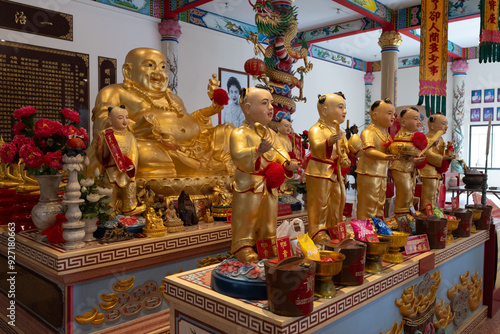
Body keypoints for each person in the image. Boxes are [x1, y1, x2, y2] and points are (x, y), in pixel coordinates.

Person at [88, 47, 234, 179]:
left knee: (228, 132)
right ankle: (159, 188)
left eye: (162, 67)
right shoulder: (115, 92)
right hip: (152, 145)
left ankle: (223, 173)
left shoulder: (174, 98)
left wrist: (206, 113)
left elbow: (185, 123)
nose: (158, 72)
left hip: (191, 147)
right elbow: (102, 123)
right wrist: (137, 128)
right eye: (150, 65)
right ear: (128, 71)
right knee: (145, 152)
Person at [230, 85, 299, 262]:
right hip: (250, 183)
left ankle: (267, 243)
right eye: (264, 103)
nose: (270, 108)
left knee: (269, 218)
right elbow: (238, 155)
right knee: (248, 217)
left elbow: (280, 151)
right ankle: (243, 246)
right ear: (247, 108)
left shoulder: (271, 133)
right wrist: (257, 151)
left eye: (271, 103)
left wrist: (286, 162)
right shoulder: (239, 133)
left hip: (269, 185)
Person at [306, 92, 357, 244]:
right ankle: (317, 231)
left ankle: (334, 227)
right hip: (319, 171)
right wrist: (328, 142)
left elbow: (344, 150)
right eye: (340, 107)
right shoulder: (316, 129)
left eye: (345, 107)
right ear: (324, 110)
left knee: (337, 201)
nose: (345, 111)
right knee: (320, 203)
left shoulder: (340, 132)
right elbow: (316, 148)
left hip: (336, 172)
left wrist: (351, 154)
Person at [95, 105, 145, 215]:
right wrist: (105, 151)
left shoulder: (130, 136)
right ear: (110, 120)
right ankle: (109, 208)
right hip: (111, 169)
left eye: (127, 117)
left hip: (126, 170)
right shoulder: (105, 134)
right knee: (110, 188)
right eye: (120, 117)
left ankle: (129, 207)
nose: (125, 120)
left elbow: (134, 152)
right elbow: (99, 153)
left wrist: (132, 165)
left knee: (131, 185)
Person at [356, 99, 397, 220]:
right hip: (369, 173)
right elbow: (368, 150)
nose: (393, 117)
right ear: (375, 115)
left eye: (393, 114)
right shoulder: (368, 132)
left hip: (382, 173)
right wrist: (385, 156)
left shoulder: (386, 134)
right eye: (389, 113)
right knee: (369, 203)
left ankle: (378, 226)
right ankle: (366, 229)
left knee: (380, 203)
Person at [389, 107, 427, 215]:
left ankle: (408, 213)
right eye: (415, 119)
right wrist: (416, 151)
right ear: (404, 122)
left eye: (419, 119)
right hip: (400, 167)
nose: (419, 122)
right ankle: (401, 216)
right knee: (404, 192)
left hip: (411, 169)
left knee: (410, 192)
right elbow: (396, 147)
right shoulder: (401, 136)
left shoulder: (413, 136)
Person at [419, 113, 454, 209]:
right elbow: (427, 153)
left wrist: (448, 153)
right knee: (429, 195)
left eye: (446, 124)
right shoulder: (428, 139)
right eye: (443, 124)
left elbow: (440, 154)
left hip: (436, 171)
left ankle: (434, 212)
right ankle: (426, 213)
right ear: (432, 125)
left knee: (435, 194)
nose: (446, 127)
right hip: (429, 171)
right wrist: (442, 158)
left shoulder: (440, 139)